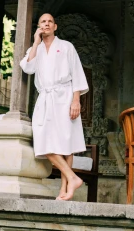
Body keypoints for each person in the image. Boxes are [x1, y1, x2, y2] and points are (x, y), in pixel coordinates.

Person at [20, 12, 89, 200]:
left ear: (55, 26)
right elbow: (27, 68)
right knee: (43, 142)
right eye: (43, 22)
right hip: (45, 98)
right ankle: (73, 177)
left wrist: (76, 100)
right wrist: (35, 42)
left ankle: (65, 190)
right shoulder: (36, 49)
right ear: (39, 27)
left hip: (65, 96)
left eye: (50, 21)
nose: (47, 24)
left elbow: (77, 73)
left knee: (66, 143)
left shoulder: (66, 47)